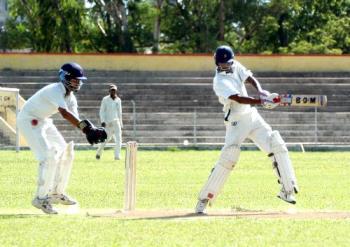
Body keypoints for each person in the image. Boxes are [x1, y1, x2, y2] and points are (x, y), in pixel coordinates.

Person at [195, 45, 299, 214]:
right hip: (236, 121)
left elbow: (249, 78)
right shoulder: (219, 82)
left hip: (252, 116)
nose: (226, 67)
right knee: (229, 157)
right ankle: (204, 199)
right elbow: (239, 98)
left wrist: (262, 92)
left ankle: (287, 190)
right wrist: (261, 101)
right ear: (217, 63)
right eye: (222, 64)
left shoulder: (235, 65)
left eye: (228, 63)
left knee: (276, 144)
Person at [17, 62, 107, 214]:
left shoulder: (71, 97)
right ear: (64, 77)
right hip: (29, 119)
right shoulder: (55, 90)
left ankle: (56, 193)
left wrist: (89, 130)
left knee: (66, 152)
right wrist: (86, 129)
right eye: (74, 79)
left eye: (79, 80)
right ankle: (40, 198)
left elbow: (75, 118)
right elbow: (65, 114)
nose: (77, 82)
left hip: (44, 120)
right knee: (48, 157)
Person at [96, 84, 123, 160]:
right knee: (106, 139)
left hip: (116, 122)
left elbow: (120, 112)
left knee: (119, 139)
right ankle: (99, 152)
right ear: (109, 91)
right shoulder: (105, 99)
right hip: (108, 123)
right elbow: (102, 111)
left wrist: (121, 124)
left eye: (114, 90)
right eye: (111, 90)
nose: (113, 91)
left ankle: (117, 155)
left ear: (116, 91)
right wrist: (103, 121)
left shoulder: (118, 100)